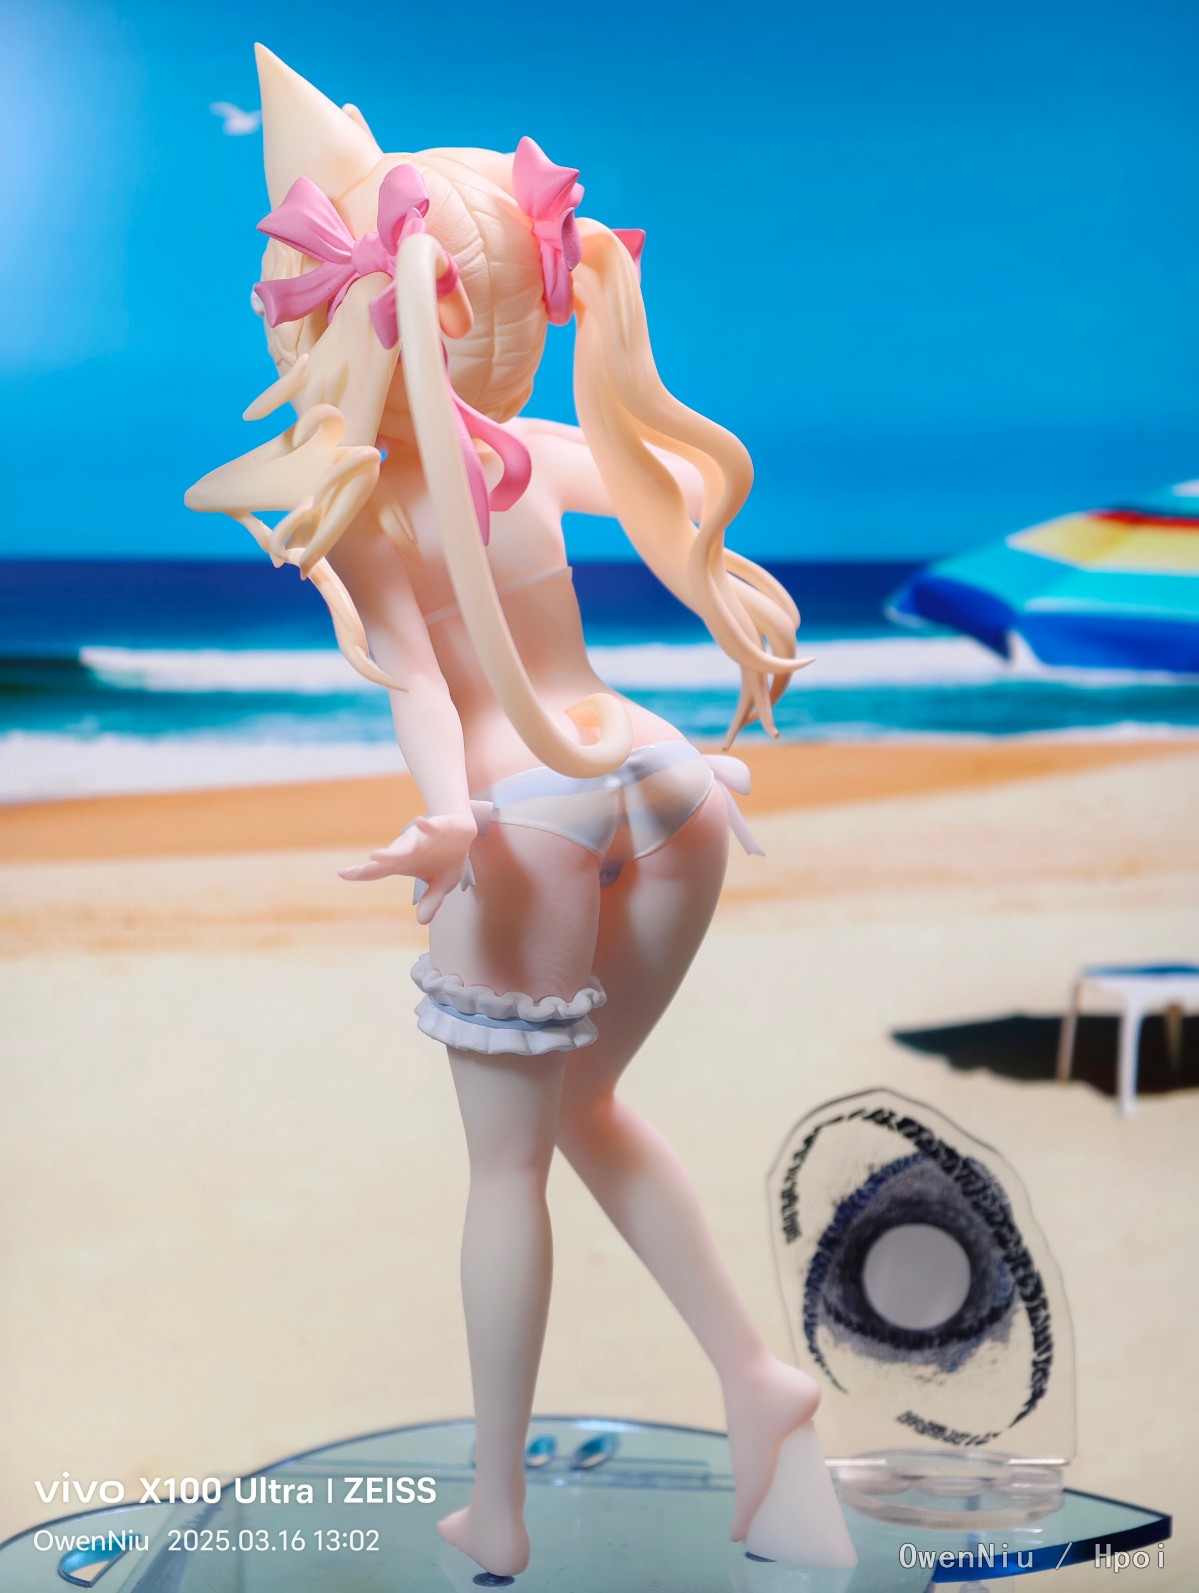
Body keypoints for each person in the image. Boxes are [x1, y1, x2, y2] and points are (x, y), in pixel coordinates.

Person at [186, 45, 854, 1579]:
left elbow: (424, 688)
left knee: (507, 1168)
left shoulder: (365, 505)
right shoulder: (535, 460)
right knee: (591, 1105)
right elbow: (666, 483)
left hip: (523, 816)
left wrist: (445, 820)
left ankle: (498, 1507)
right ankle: (759, 1379)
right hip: (665, 779)